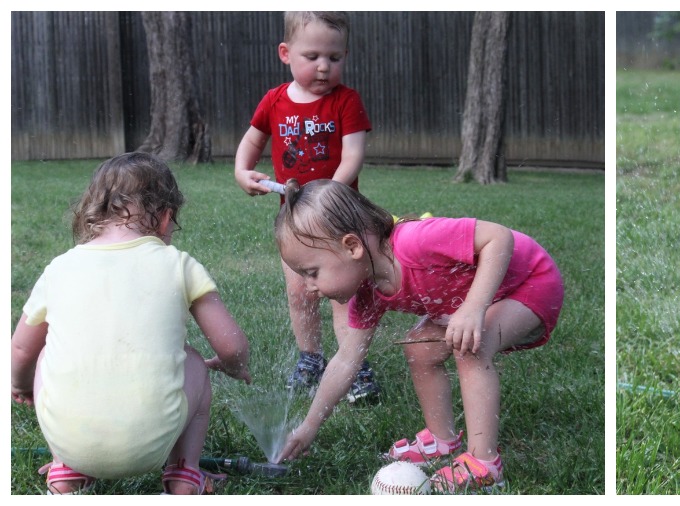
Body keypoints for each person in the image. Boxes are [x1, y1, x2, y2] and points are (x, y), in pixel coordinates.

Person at [274, 179, 564, 492]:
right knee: (418, 348)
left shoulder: (416, 241)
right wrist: (309, 426)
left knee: (470, 346)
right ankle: (442, 439)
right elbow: (345, 360)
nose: (307, 286)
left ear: (352, 246)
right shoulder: (368, 294)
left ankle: (485, 465)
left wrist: (473, 308)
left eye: (312, 272)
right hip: (489, 299)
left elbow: (498, 238)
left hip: (532, 284)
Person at [10, 152, 252, 495]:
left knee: (47, 351)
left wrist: (20, 385)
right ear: (166, 218)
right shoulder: (178, 264)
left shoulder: (59, 268)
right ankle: (185, 473)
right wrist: (234, 365)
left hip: (70, 441)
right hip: (152, 446)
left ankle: (66, 468)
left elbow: (20, 349)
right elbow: (230, 344)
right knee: (194, 362)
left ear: (92, 214)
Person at [233, 11, 379, 402]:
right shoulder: (275, 101)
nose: (323, 66)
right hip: (295, 222)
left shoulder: (346, 101)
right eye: (312, 55)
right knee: (300, 291)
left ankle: (355, 365)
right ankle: (310, 358)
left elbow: (353, 156)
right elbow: (251, 140)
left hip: (338, 219)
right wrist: (242, 170)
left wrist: (328, 192)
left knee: (341, 294)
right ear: (286, 53)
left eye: (334, 57)